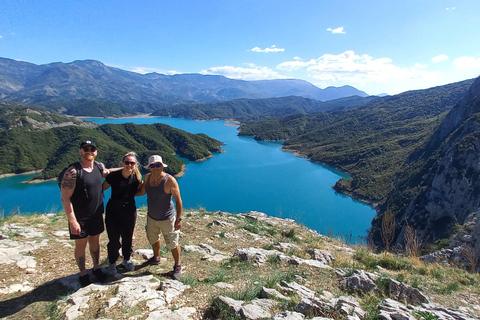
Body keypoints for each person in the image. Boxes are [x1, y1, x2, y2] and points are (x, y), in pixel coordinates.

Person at [60, 140, 109, 287]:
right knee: (80, 245)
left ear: (96, 152)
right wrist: (72, 221)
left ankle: (96, 267)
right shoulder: (73, 172)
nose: (89, 151)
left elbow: (108, 172)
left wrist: (127, 167)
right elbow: (65, 198)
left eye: (92, 149)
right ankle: (83, 273)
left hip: (96, 215)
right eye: (86, 149)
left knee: (95, 242)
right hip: (80, 218)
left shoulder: (99, 167)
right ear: (80, 151)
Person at [137, 155, 183, 279]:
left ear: (162, 166)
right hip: (152, 217)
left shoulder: (170, 180)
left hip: (168, 218)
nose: (156, 168)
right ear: (149, 167)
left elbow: (178, 200)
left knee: (172, 242)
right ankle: (156, 258)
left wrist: (179, 219)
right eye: (153, 165)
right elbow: (141, 192)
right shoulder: (147, 178)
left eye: (158, 165)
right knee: (153, 238)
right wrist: (125, 194)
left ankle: (177, 265)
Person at [102, 152, 143, 275]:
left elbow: (141, 191)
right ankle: (112, 263)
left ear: (135, 164)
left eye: (132, 163)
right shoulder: (114, 176)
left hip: (129, 211)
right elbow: (102, 188)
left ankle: (126, 259)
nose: (129, 165)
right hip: (113, 211)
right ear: (122, 163)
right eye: (127, 162)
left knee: (127, 237)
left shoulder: (137, 177)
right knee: (113, 239)